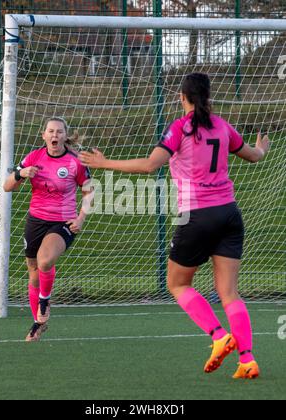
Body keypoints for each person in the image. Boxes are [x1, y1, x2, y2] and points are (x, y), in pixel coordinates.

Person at [78, 73, 270, 379]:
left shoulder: (180, 128)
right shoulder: (223, 126)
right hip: (230, 214)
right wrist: (263, 147)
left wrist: (105, 164)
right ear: (209, 98)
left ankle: (219, 337)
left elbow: (149, 165)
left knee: (177, 284)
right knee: (230, 293)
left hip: (197, 215)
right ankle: (247, 359)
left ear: (182, 97)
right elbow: (254, 156)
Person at [4, 117, 94, 342]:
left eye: (59, 132)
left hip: (63, 222)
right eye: (50, 131)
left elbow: (90, 192)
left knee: (45, 260)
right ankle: (39, 323)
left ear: (65, 136)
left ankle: (45, 302)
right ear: (43, 135)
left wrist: (81, 217)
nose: (55, 135)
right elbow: (7, 186)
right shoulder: (34, 157)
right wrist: (20, 174)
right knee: (34, 273)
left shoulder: (75, 162)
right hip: (36, 221)